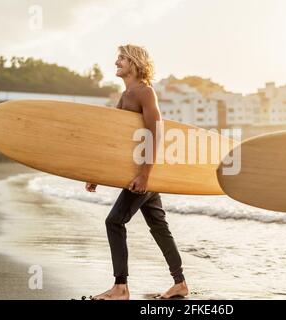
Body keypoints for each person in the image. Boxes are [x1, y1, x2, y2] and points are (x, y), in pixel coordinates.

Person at [85, 44, 188, 300]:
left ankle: (121, 287)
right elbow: (118, 144)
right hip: (139, 174)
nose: (116, 62)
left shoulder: (145, 92)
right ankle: (180, 283)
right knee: (159, 227)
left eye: (121, 58)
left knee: (114, 221)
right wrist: (98, 174)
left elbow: (156, 132)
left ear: (134, 62)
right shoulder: (124, 96)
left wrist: (145, 175)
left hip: (143, 175)